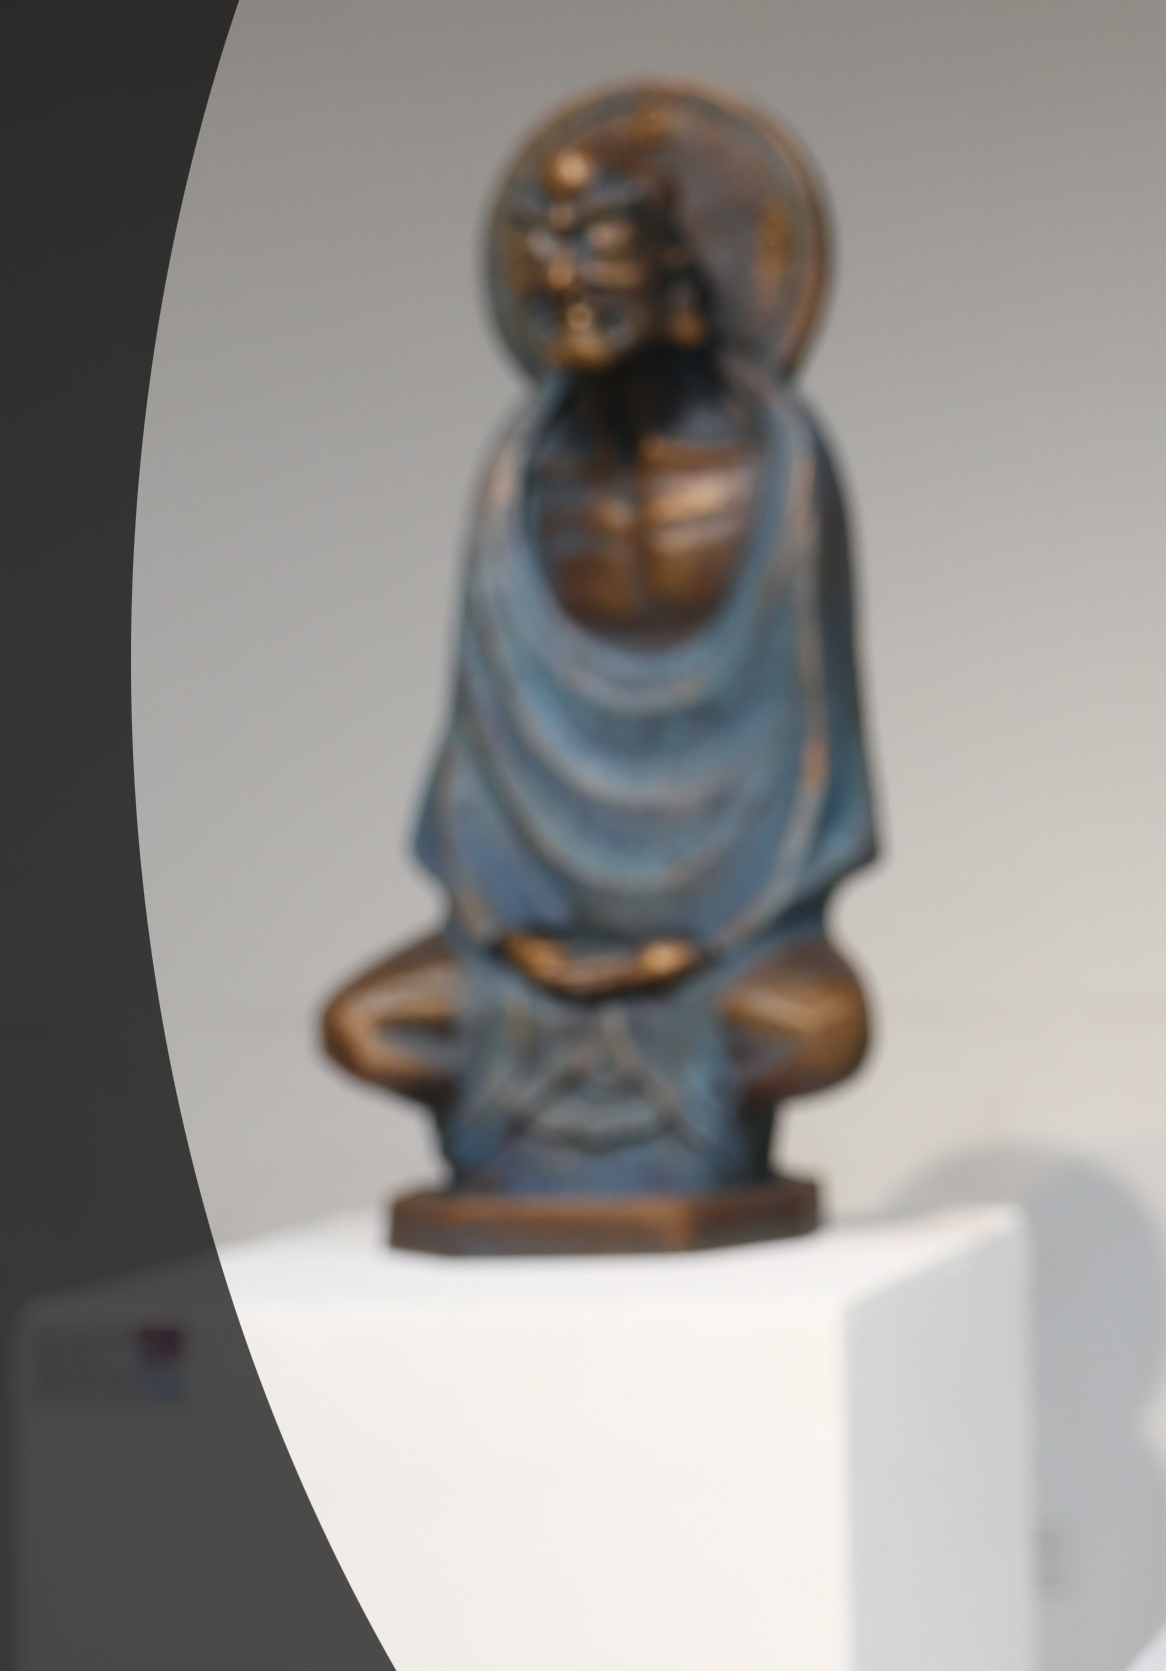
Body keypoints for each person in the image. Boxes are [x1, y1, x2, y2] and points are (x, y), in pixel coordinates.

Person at [322, 95, 875, 1223]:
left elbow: (813, 756)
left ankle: (644, 1099)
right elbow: (483, 746)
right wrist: (518, 936)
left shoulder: (778, 467)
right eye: (545, 251)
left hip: (728, 949)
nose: (567, 278)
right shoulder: (518, 474)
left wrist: (696, 945)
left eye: (599, 247)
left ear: (679, 271)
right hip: (524, 947)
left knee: (820, 1029)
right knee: (364, 1026)